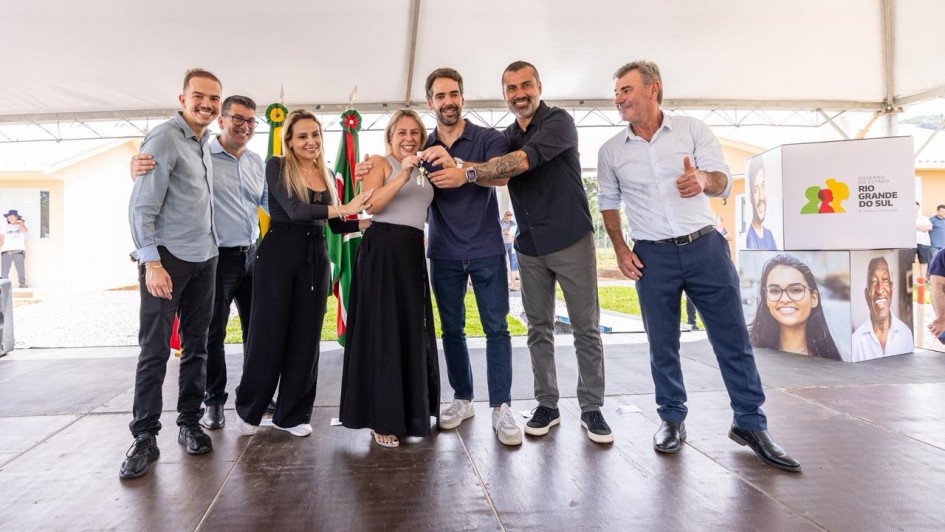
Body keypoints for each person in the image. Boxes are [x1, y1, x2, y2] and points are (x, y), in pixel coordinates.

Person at [597, 60, 800, 471]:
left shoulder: (693, 131)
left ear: (653, 89)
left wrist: (703, 182)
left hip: (705, 248)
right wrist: (620, 249)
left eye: (626, 90)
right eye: (617, 92)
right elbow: (607, 202)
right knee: (662, 344)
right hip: (652, 256)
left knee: (732, 339)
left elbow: (722, 179)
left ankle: (750, 423)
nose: (619, 99)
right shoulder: (610, 151)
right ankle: (671, 419)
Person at [431, 61, 611, 444]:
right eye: (511, 88)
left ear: (539, 86)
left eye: (525, 85)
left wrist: (463, 170)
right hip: (528, 245)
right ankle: (547, 404)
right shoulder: (508, 134)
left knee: (585, 327)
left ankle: (592, 408)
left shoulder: (558, 121)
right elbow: (497, 170)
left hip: (570, 238)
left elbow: (517, 165)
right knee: (537, 329)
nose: (519, 94)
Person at [354, 68, 522, 446]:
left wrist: (463, 170)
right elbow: (391, 172)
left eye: (454, 94)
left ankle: (502, 407)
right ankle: (463, 399)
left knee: (497, 328)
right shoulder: (419, 145)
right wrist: (369, 167)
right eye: (440, 96)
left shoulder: (486, 137)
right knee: (451, 330)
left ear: (463, 98)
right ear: (430, 102)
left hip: (487, 248)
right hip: (441, 253)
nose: (448, 101)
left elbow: (503, 175)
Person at [131, 95, 269, 431]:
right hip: (213, 259)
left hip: (250, 255)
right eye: (238, 118)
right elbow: (160, 180)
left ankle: (254, 397)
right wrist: (136, 167)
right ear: (221, 119)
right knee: (211, 335)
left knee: (258, 332)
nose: (245, 126)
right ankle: (215, 401)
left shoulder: (255, 162)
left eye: (251, 121)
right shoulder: (201, 151)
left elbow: (270, 202)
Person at [234, 109, 372, 437]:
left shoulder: (324, 172)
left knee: (306, 338)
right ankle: (251, 410)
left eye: (315, 135)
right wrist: (343, 208)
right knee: (269, 335)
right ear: (290, 141)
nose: (311, 141)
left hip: (315, 258)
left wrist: (374, 219)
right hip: (278, 256)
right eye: (302, 136)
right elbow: (296, 211)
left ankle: (292, 415)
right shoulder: (278, 165)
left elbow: (337, 224)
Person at [121, 68, 223, 480]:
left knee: (196, 347)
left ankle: (189, 423)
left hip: (206, 258)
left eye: (214, 98)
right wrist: (152, 263)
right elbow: (141, 207)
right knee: (155, 350)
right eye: (199, 96)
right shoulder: (164, 138)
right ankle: (144, 435)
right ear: (183, 99)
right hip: (168, 261)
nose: (207, 104)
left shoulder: (205, 144)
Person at [339, 110, 439, 448]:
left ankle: (410, 413)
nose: (409, 137)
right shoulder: (381, 163)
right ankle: (381, 418)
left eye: (415, 132)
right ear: (390, 136)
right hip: (382, 252)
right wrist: (404, 172)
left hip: (411, 254)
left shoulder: (426, 169)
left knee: (409, 331)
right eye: (402, 132)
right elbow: (373, 207)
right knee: (383, 333)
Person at [748, 253, 841, 361]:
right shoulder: (748, 352)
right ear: (766, 298)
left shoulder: (835, 357)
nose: (784, 299)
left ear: (813, 298)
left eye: (796, 290)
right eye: (774, 291)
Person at [850, 256, 914, 361]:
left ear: (892, 288)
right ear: (867, 295)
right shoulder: (856, 341)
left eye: (884, 280)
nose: (879, 290)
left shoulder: (905, 334)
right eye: (874, 282)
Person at [745, 157, 776, 249]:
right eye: (755, 190)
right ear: (750, 196)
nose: (760, 197)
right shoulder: (751, 238)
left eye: (763, 186)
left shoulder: (769, 235)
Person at [0, 210, 28, 288]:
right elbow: (1, 239)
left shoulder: (21, 226)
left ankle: (22, 284)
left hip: (18, 250)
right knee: (4, 270)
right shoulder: (4, 227)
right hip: (6, 251)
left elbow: (24, 230)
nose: (10, 218)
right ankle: (5, 285)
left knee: (20, 269)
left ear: (16, 217)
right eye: (9, 217)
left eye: (12, 216)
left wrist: (21, 222)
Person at [500, 210, 520, 291]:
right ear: (504, 215)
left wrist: (506, 232)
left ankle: (513, 283)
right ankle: (503, 281)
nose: (509, 216)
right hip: (503, 244)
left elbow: (513, 233)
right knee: (503, 262)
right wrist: (507, 232)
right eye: (507, 215)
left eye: (510, 215)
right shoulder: (501, 222)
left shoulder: (513, 224)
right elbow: (501, 232)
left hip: (511, 245)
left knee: (513, 264)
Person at [916, 202, 933, 279]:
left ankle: (922, 278)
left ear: (918, 207)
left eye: (916, 206)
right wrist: (922, 227)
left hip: (924, 242)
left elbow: (929, 228)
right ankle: (908, 280)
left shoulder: (924, 218)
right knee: (908, 261)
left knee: (924, 261)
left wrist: (916, 227)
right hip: (910, 243)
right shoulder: (906, 217)